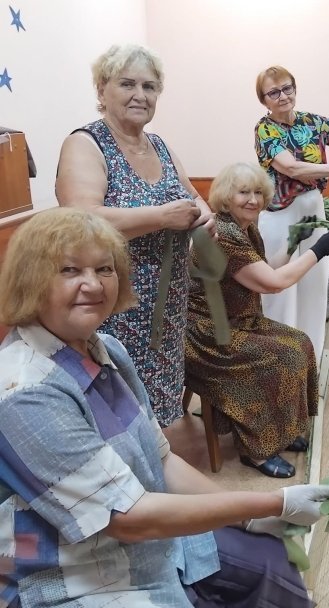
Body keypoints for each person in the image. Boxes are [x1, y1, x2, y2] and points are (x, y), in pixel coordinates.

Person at [0, 208, 329, 608]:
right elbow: (125, 517)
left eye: (104, 268)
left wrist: (249, 519)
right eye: (70, 270)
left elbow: (162, 459)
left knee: (272, 560)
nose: (94, 284)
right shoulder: (25, 391)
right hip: (71, 573)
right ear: (31, 280)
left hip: (144, 542)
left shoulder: (108, 351)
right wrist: (268, 504)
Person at [56, 44, 216, 428]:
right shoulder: (86, 143)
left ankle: (157, 459)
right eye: (127, 84)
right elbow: (82, 218)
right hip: (112, 306)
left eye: (149, 86)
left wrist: (204, 216)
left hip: (167, 304)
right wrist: (162, 217)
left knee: (155, 413)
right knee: (116, 415)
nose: (140, 95)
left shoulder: (159, 145)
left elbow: (192, 196)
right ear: (102, 89)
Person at [185, 163, 329, 479]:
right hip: (208, 333)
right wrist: (318, 250)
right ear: (226, 197)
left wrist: (294, 242)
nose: (253, 200)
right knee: (279, 357)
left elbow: (265, 269)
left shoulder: (245, 228)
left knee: (300, 343)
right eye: (244, 192)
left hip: (238, 321)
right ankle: (255, 451)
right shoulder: (224, 234)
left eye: (258, 192)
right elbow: (272, 283)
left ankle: (280, 430)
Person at [254, 65, 329, 365]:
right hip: (280, 214)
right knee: (279, 289)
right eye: (273, 92)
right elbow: (291, 167)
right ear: (264, 100)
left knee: (314, 284)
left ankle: (309, 362)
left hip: (312, 207)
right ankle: (279, 363)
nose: (282, 96)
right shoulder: (265, 129)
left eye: (287, 88)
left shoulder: (311, 122)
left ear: (295, 88)